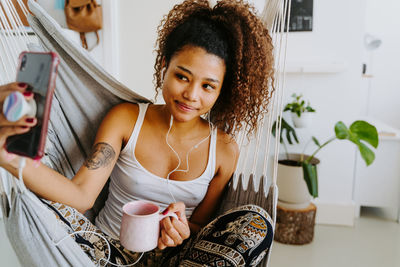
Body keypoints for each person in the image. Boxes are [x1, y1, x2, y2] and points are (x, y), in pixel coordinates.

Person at [0, 0, 275, 265]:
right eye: (182, 76)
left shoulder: (225, 149)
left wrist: (181, 230)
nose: (191, 95)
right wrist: (7, 156)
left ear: (221, 90)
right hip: (107, 252)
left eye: (208, 86)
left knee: (255, 221)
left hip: (178, 259)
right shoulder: (127, 119)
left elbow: (201, 225)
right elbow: (81, 195)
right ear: (165, 65)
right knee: (39, 211)